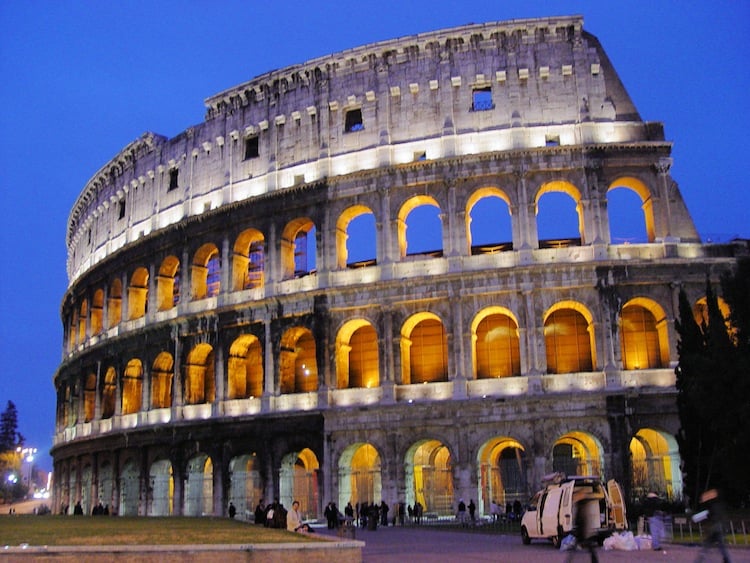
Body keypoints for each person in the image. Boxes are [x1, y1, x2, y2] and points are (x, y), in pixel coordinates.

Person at [694, 488, 731, 563]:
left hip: (713, 528)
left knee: (707, 546)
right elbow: (721, 516)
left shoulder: (712, 506)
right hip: (718, 527)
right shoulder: (719, 505)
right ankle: (726, 559)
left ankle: (699, 560)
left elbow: (710, 516)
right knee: (721, 545)